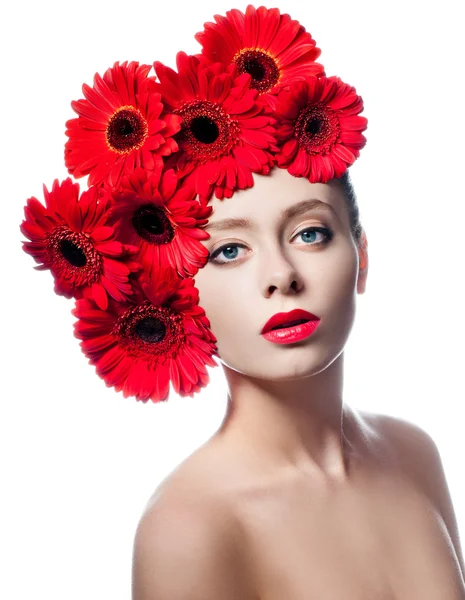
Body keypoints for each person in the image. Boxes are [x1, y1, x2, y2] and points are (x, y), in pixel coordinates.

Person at [19, 4, 464, 599]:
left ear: (362, 256)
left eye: (310, 233)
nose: (281, 275)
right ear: (178, 292)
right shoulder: (191, 528)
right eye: (228, 251)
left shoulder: (415, 454)